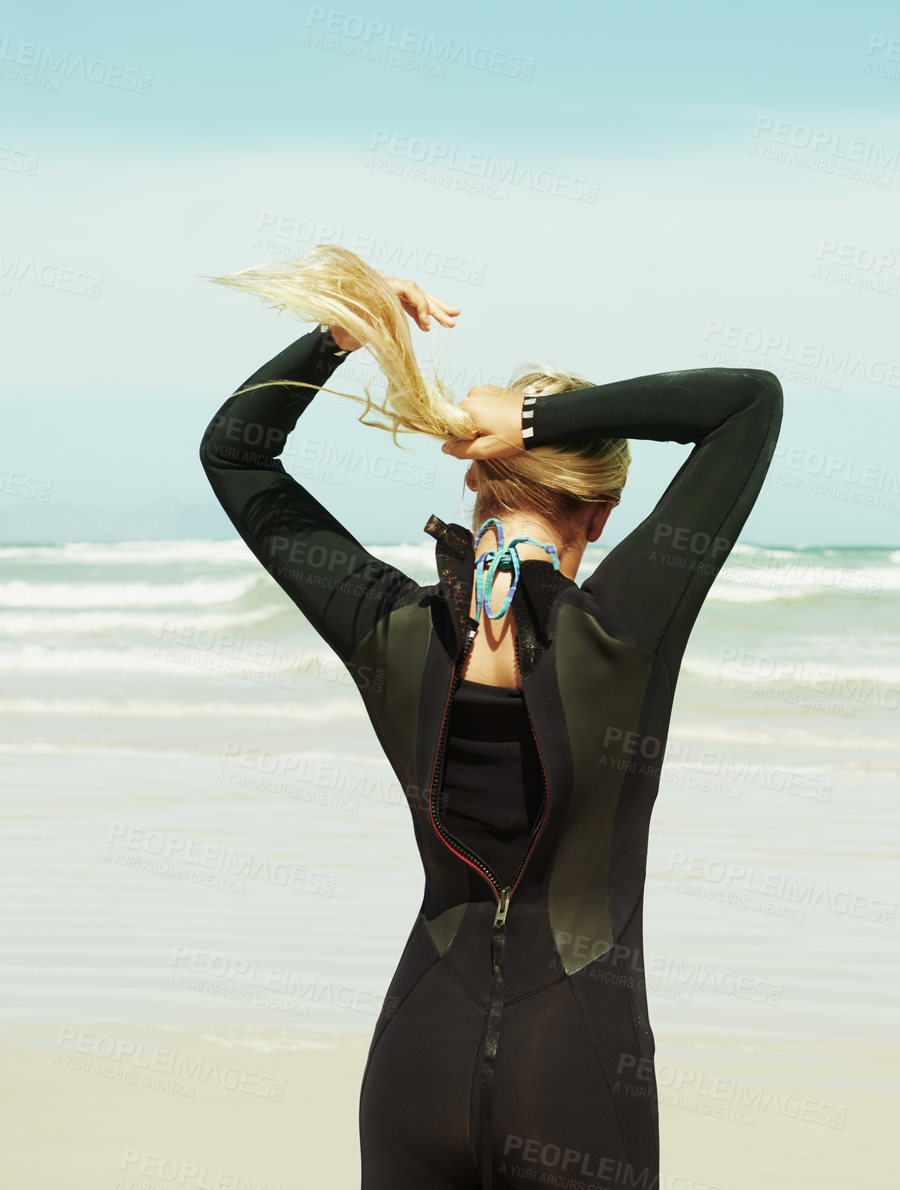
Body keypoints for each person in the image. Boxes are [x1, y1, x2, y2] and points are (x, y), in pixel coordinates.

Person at [199, 245, 783, 1189]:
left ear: (473, 483)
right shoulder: (623, 631)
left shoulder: (390, 628)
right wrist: (537, 420)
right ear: (601, 513)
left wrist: (347, 331)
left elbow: (234, 453)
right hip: (576, 1072)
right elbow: (748, 402)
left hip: (412, 1059)